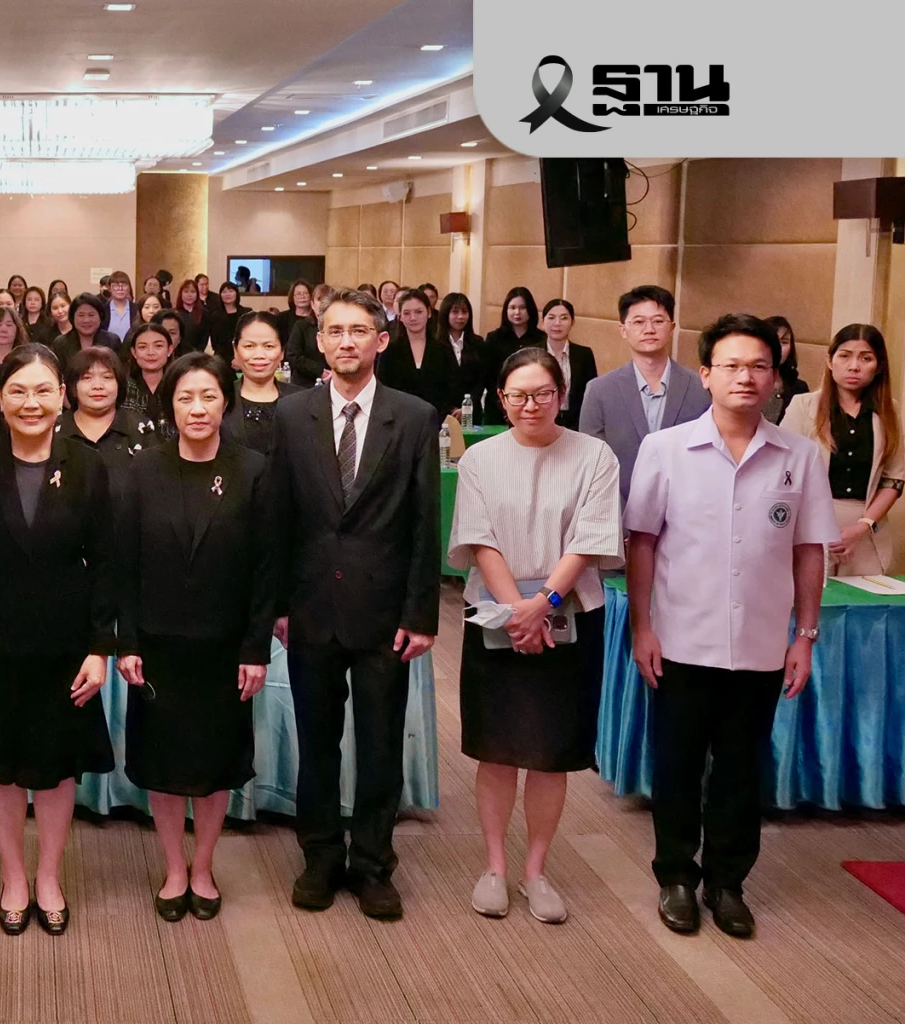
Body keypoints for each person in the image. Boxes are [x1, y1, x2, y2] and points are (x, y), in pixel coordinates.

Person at [625, 313, 837, 939]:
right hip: (681, 640)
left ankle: (727, 882)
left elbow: (809, 549)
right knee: (677, 765)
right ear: (707, 374)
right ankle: (675, 877)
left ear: (775, 377)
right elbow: (642, 543)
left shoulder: (801, 455)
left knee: (742, 769)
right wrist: (642, 627)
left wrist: (805, 635)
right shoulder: (666, 449)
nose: (746, 377)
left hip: (761, 644)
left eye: (759, 366)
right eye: (732, 365)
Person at [271, 289, 439, 921]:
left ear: (381, 340)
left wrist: (420, 614)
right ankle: (319, 856)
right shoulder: (291, 415)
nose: (346, 341)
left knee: (379, 744)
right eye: (335, 331)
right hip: (310, 607)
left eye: (359, 331)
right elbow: (277, 517)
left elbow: (424, 522)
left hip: (384, 614)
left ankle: (372, 863)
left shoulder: (414, 417)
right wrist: (277, 605)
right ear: (319, 341)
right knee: (316, 742)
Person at [449, 348, 622, 925]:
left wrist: (542, 605)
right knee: (497, 749)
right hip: (497, 616)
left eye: (543, 393)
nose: (531, 405)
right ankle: (495, 867)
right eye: (518, 395)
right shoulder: (480, 457)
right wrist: (515, 612)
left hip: (569, 614)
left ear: (561, 395)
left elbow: (589, 539)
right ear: (501, 399)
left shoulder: (594, 455)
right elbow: (479, 539)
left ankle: (536, 871)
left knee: (551, 754)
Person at [0, 344, 117, 936]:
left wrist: (100, 648)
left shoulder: (87, 465)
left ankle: (48, 876)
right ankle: (13, 877)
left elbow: (105, 563)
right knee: (2, 767)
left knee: (56, 768)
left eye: (44, 390)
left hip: (66, 646)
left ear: (62, 397)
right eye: (18, 390)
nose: (31, 402)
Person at [117, 352, 276, 923]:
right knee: (163, 763)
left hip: (224, 646)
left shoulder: (253, 469)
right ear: (170, 406)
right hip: (157, 645)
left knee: (214, 765)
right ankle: (173, 868)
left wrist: (255, 647)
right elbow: (123, 563)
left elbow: (265, 568)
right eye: (185, 397)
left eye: (208, 396)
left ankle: (203, 866)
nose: (198, 408)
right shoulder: (143, 470)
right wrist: (127, 642)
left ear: (225, 401)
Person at [780, 323, 904, 575]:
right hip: (810, 525)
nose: (854, 366)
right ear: (830, 360)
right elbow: (783, 472)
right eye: (845, 356)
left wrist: (862, 527)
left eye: (866, 358)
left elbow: (894, 479)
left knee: (865, 598)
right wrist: (815, 527)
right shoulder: (803, 406)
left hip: (866, 528)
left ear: (879, 366)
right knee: (812, 596)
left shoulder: (889, 410)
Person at [578, 285, 713, 500]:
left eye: (658, 321)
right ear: (623, 330)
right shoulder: (599, 391)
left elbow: (710, 458)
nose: (649, 329)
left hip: (685, 509)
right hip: (618, 509)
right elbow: (589, 462)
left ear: (672, 327)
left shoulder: (701, 388)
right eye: (639, 322)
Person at [57, 346, 156, 461]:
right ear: (73, 387)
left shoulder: (142, 429)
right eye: (87, 378)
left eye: (107, 377)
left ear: (119, 384)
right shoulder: (53, 430)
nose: (97, 386)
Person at [377, 288, 459, 418]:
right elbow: (382, 388)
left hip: (437, 419)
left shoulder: (443, 349)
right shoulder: (390, 350)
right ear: (400, 317)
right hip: (399, 419)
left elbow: (453, 386)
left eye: (419, 312)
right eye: (407, 313)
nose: (413, 318)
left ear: (429, 312)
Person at [225, 311, 298, 455]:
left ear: (282, 351)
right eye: (249, 346)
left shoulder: (302, 401)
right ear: (235, 349)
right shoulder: (222, 400)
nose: (259, 355)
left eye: (269, 346)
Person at [482, 287, 546, 420]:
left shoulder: (541, 339)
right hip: (497, 406)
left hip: (530, 405)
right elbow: (487, 376)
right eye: (512, 308)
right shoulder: (494, 338)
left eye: (522, 308)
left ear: (530, 310)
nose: (517, 312)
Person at [539, 300, 597, 429]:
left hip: (575, 424)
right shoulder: (532, 353)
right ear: (542, 322)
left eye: (564, 318)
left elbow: (590, 394)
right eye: (551, 317)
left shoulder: (584, 354)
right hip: (541, 421)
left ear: (572, 322)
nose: (557, 323)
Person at [120, 322, 176, 438]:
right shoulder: (122, 387)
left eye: (158, 346)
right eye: (142, 347)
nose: (151, 353)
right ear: (134, 352)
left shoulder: (179, 386)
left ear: (169, 350)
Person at [439, 292, 484, 423]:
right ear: (445, 313)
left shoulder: (477, 342)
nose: (460, 316)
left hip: (472, 412)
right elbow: (434, 383)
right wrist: (450, 409)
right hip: (443, 413)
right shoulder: (435, 344)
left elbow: (481, 380)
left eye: (464, 312)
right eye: (455, 312)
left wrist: (467, 406)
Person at [50, 292, 120, 365]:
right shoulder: (60, 343)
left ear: (100, 316)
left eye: (91, 315)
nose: (86, 320)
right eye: (81, 315)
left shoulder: (112, 341)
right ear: (72, 317)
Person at [764, 316, 811, 424]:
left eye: (784, 342)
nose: (778, 348)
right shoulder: (746, 381)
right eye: (772, 341)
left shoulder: (799, 388)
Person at [201, 282, 250, 366]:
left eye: (230, 291)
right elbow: (215, 342)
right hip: (222, 358)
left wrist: (239, 358)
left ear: (236, 293)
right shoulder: (214, 315)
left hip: (244, 356)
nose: (227, 294)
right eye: (224, 292)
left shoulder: (246, 313)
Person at [105, 271, 137, 338]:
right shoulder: (103, 310)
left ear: (129, 288)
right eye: (116, 285)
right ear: (109, 288)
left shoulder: (137, 309)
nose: (120, 289)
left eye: (124, 285)